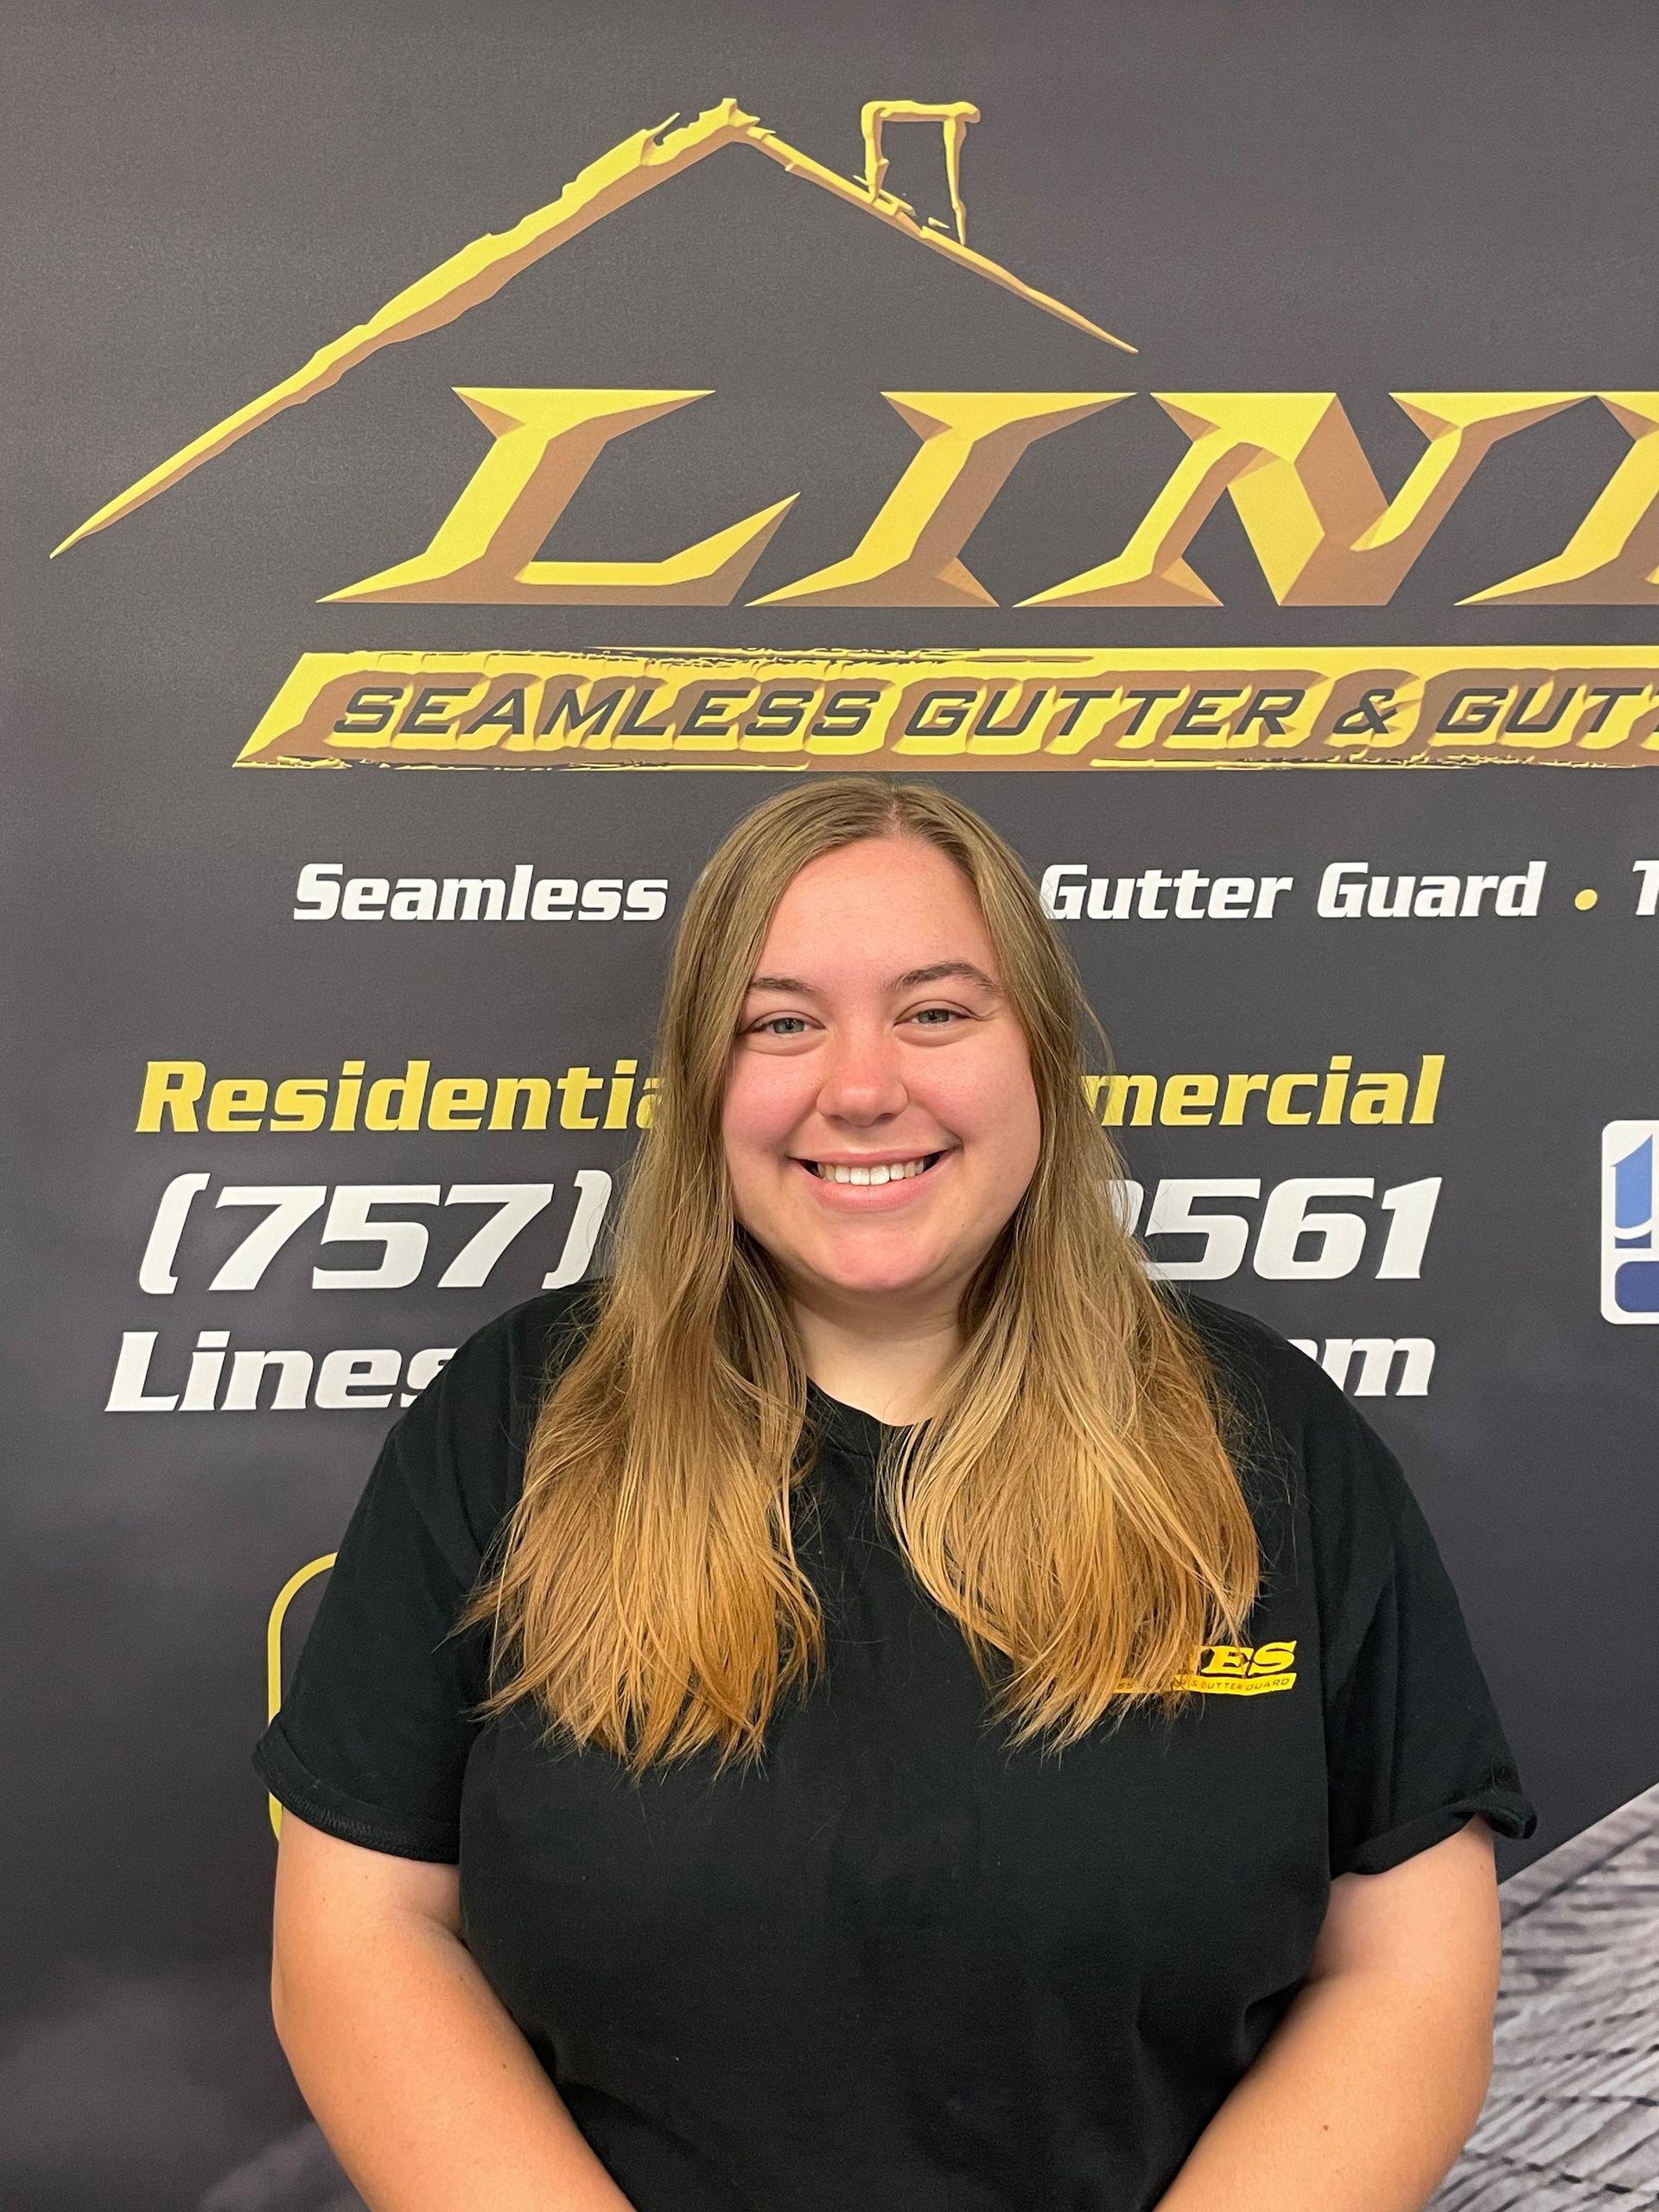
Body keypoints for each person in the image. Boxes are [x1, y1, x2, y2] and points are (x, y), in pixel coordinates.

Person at [254, 775, 1536, 2212]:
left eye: (935, 1012)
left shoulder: (1268, 1442)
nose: (861, 1088)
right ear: (700, 1079)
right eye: (780, 1023)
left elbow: (1406, 1973)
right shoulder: (515, 1424)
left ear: (1038, 1054)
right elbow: (361, 1937)